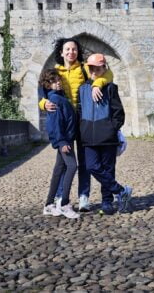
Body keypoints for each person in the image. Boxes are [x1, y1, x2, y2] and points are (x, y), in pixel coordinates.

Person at [38, 37, 113, 212]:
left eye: (74, 49)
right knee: (65, 162)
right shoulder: (54, 72)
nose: (71, 52)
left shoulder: (85, 68)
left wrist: (97, 85)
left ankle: (83, 196)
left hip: (84, 118)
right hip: (64, 120)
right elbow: (43, 93)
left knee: (85, 159)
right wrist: (43, 104)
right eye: (67, 49)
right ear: (61, 52)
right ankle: (59, 197)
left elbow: (108, 74)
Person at [78, 53, 133, 215]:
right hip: (88, 137)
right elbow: (80, 111)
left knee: (108, 170)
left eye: (97, 67)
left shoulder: (111, 88)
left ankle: (107, 202)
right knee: (92, 166)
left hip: (108, 138)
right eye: (91, 67)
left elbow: (119, 113)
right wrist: (83, 129)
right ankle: (121, 190)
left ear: (104, 68)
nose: (94, 70)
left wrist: (111, 128)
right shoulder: (83, 89)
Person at [40, 69, 80, 219]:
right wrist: (62, 141)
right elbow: (54, 124)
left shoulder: (59, 97)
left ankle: (49, 205)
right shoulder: (55, 99)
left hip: (67, 138)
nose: (58, 83)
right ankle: (64, 204)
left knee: (59, 169)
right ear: (48, 85)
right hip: (64, 140)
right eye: (54, 81)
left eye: (58, 80)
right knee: (72, 166)